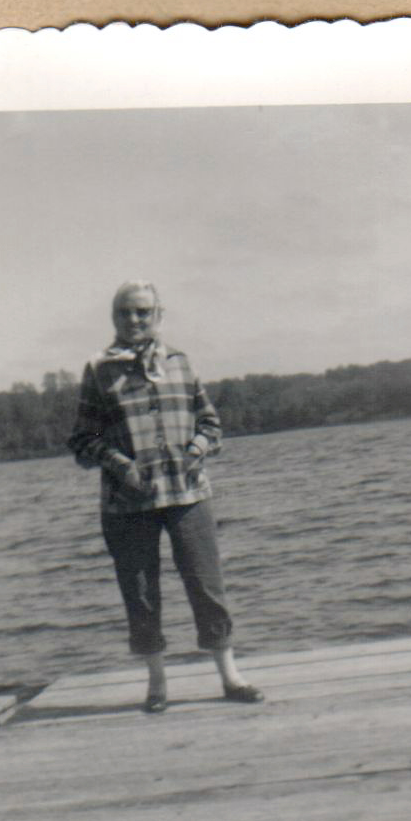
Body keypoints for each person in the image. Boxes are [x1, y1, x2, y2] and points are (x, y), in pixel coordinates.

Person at [68, 283, 263, 717]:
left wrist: (196, 449)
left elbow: (210, 424)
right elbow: (82, 440)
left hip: (188, 493)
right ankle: (157, 684)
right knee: (140, 593)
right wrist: (122, 466)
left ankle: (230, 676)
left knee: (206, 583)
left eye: (142, 312)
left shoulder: (180, 362)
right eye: (124, 313)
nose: (134, 320)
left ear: (159, 314)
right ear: (114, 318)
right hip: (126, 503)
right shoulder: (99, 369)